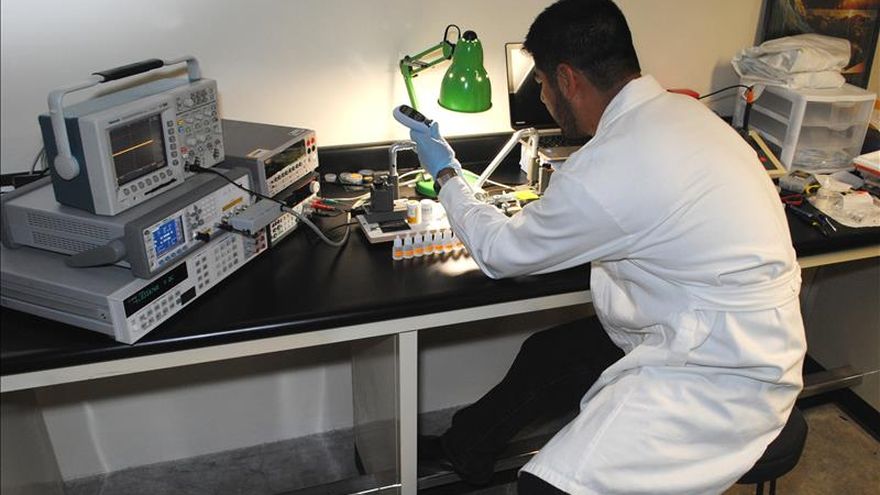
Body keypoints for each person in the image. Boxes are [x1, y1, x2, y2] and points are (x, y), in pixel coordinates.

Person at [405, 0, 807, 493]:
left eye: (542, 84)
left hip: (715, 374)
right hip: (745, 334)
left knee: (546, 486)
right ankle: (467, 447)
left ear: (567, 79)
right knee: (549, 355)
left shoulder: (615, 163)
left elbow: (500, 252)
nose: (544, 98)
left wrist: (447, 174)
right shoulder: (685, 113)